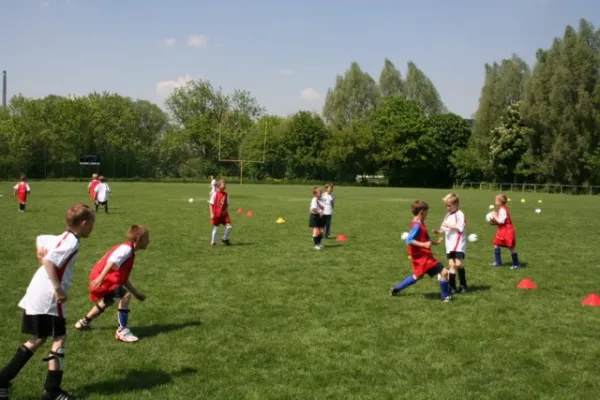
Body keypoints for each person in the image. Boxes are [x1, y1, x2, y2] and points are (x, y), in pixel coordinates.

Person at [0, 204, 95, 400]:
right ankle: (52, 391)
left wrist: (38, 252)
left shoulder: (63, 237)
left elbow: (40, 238)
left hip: (38, 291)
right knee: (59, 337)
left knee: (39, 338)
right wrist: (58, 289)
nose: (92, 228)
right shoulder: (71, 243)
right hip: (49, 297)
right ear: (84, 223)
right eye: (91, 224)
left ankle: (2, 381)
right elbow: (49, 261)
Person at [74, 225, 150, 343]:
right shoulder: (126, 249)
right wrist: (100, 278)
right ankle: (122, 331)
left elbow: (123, 279)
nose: (149, 241)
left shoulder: (129, 251)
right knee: (125, 296)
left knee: (109, 300)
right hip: (102, 278)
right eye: (147, 238)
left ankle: (83, 322)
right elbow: (111, 261)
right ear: (139, 240)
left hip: (104, 277)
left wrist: (137, 293)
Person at [390, 200, 452, 302]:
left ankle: (396, 289)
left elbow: (424, 238)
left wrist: (435, 242)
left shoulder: (419, 223)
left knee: (418, 276)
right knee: (444, 272)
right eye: (426, 213)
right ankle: (445, 296)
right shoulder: (417, 225)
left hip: (420, 257)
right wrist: (423, 245)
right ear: (421, 212)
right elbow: (409, 240)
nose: (427, 215)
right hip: (423, 257)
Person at [434, 193, 468, 294]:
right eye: (446, 206)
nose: (447, 208)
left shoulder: (460, 214)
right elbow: (444, 228)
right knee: (452, 264)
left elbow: (460, 227)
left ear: (456, 204)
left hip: (458, 241)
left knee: (456, 264)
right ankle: (456, 286)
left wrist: (448, 225)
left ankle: (458, 286)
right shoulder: (448, 215)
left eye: (449, 205)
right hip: (449, 243)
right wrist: (439, 231)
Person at [489, 194, 521, 269]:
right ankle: (498, 262)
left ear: (499, 201)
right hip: (503, 230)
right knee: (496, 243)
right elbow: (501, 222)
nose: (495, 200)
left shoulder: (503, 209)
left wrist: (494, 215)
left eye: (496, 199)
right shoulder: (502, 208)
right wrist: (493, 222)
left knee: (511, 247)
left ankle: (516, 264)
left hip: (507, 231)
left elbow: (501, 221)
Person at [209, 180, 233, 247]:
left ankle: (224, 239)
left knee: (229, 227)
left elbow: (227, 204)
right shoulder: (215, 194)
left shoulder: (226, 194)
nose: (225, 186)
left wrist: (225, 211)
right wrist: (211, 214)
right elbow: (211, 205)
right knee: (216, 228)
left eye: (225, 184)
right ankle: (213, 241)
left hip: (224, 214)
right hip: (216, 213)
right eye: (224, 184)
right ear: (219, 186)